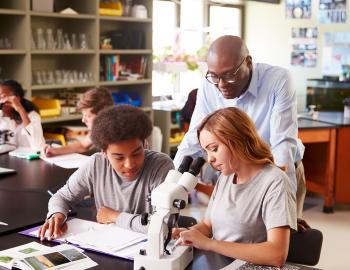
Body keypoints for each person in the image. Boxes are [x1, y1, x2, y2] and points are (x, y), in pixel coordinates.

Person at [174, 35, 306, 220]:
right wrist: (172, 184)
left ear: (248, 62)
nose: (221, 84)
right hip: (234, 173)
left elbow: (282, 145)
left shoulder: (278, 80)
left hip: (277, 171)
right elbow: (192, 139)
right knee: (236, 235)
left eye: (229, 75)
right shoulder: (209, 85)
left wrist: (285, 204)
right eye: (215, 76)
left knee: (281, 241)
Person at [173, 107, 297, 267]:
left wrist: (209, 244)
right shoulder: (227, 175)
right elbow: (208, 226)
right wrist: (185, 234)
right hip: (218, 263)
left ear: (237, 140)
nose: (209, 159)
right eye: (206, 151)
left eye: (214, 149)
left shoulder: (275, 182)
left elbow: (276, 255)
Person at [39, 105, 174, 240]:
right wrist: (57, 214)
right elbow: (62, 197)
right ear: (104, 152)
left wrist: (114, 216)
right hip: (107, 245)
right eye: (119, 157)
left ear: (145, 144)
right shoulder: (96, 163)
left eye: (137, 153)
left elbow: (164, 225)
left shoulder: (161, 166)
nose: (129, 164)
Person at [42, 87, 114, 157]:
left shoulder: (116, 133)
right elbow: (82, 145)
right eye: (83, 115)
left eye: (88, 116)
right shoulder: (98, 130)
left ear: (103, 115)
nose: (83, 120)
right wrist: (55, 150)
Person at [0, 79, 45, 151]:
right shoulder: (2, 117)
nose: (1, 101)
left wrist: (20, 109)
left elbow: (38, 145)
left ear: (17, 98)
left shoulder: (32, 116)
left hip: (29, 158)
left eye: (2, 97)